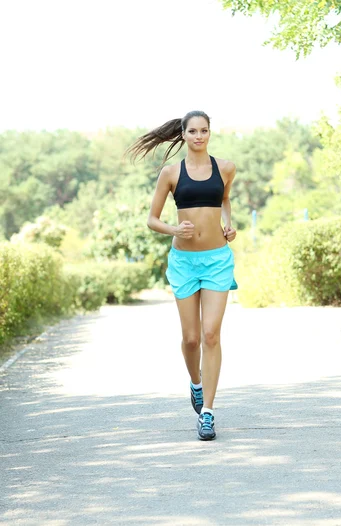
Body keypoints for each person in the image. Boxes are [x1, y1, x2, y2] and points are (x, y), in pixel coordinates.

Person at [127, 110, 237, 441]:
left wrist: (229, 225)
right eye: (193, 131)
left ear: (209, 133)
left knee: (211, 335)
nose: (199, 136)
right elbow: (152, 219)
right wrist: (175, 228)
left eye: (204, 130)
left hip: (217, 259)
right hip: (184, 262)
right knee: (191, 339)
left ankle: (208, 413)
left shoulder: (226, 168)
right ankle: (196, 383)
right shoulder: (171, 173)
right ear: (184, 134)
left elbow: (226, 200)